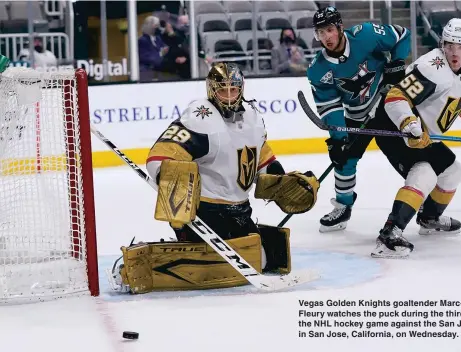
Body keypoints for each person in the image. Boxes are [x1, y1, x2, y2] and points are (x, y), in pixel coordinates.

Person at [110, 63, 319, 293]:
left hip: (240, 210)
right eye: (222, 90)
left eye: (234, 89)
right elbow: (160, 155)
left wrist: (281, 181)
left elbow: (262, 156)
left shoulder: (251, 117)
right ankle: (135, 266)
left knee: (262, 259)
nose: (229, 96)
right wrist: (176, 191)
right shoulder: (201, 118)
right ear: (211, 90)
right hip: (205, 210)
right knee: (215, 267)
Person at [372, 18, 461, 259]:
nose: (454, 53)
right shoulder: (430, 67)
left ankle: (429, 217)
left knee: (453, 172)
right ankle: (389, 234)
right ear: (442, 44)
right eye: (449, 46)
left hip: (427, 134)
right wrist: (409, 124)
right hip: (396, 129)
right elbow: (396, 97)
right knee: (424, 173)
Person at [307, 6, 410, 232]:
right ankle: (343, 207)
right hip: (356, 115)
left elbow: (403, 35)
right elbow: (330, 106)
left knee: (405, 155)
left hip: (386, 106)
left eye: (330, 30)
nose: (326, 37)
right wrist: (339, 138)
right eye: (320, 33)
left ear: (340, 27)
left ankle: (421, 202)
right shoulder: (318, 69)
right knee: (344, 160)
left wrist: (398, 62)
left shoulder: (366, 34)